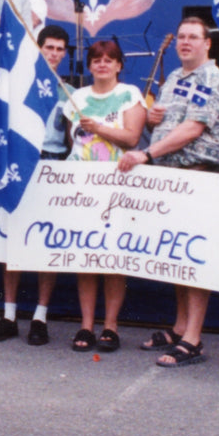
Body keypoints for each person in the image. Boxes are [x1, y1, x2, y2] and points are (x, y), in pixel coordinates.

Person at [115, 16, 219, 369]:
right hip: (172, 178)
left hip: (198, 175)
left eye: (193, 37)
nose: (185, 42)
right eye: (181, 36)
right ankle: (181, 326)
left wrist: (148, 153)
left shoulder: (213, 77)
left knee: (194, 259)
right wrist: (152, 120)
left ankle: (193, 338)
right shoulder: (175, 78)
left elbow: (194, 128)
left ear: (207, 43)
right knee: (178, 257)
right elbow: (163, 123)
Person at [0, 25, 71, 347]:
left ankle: (39, 317)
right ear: (38, 48)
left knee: (45, 243)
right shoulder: (18, 84)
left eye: (61, 49)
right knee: (14, 239)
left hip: (53, 165)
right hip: (20, 164)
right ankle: (8, 315)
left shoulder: (68, 90)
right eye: (49, 47)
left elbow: (73, 138)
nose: (55, 53)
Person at [66, 38, 146, 354]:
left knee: (113, 258)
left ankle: (110, 326)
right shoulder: (77, 96)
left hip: (117, 185)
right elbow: (71, 140)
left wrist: (99, 127)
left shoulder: (130, 95)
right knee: (87, 257)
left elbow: (131, 138)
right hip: (82, 185)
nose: (102, 64)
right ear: (90, 65)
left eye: (109, 59)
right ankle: (86, 324)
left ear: (119, 65)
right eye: (96, 59)